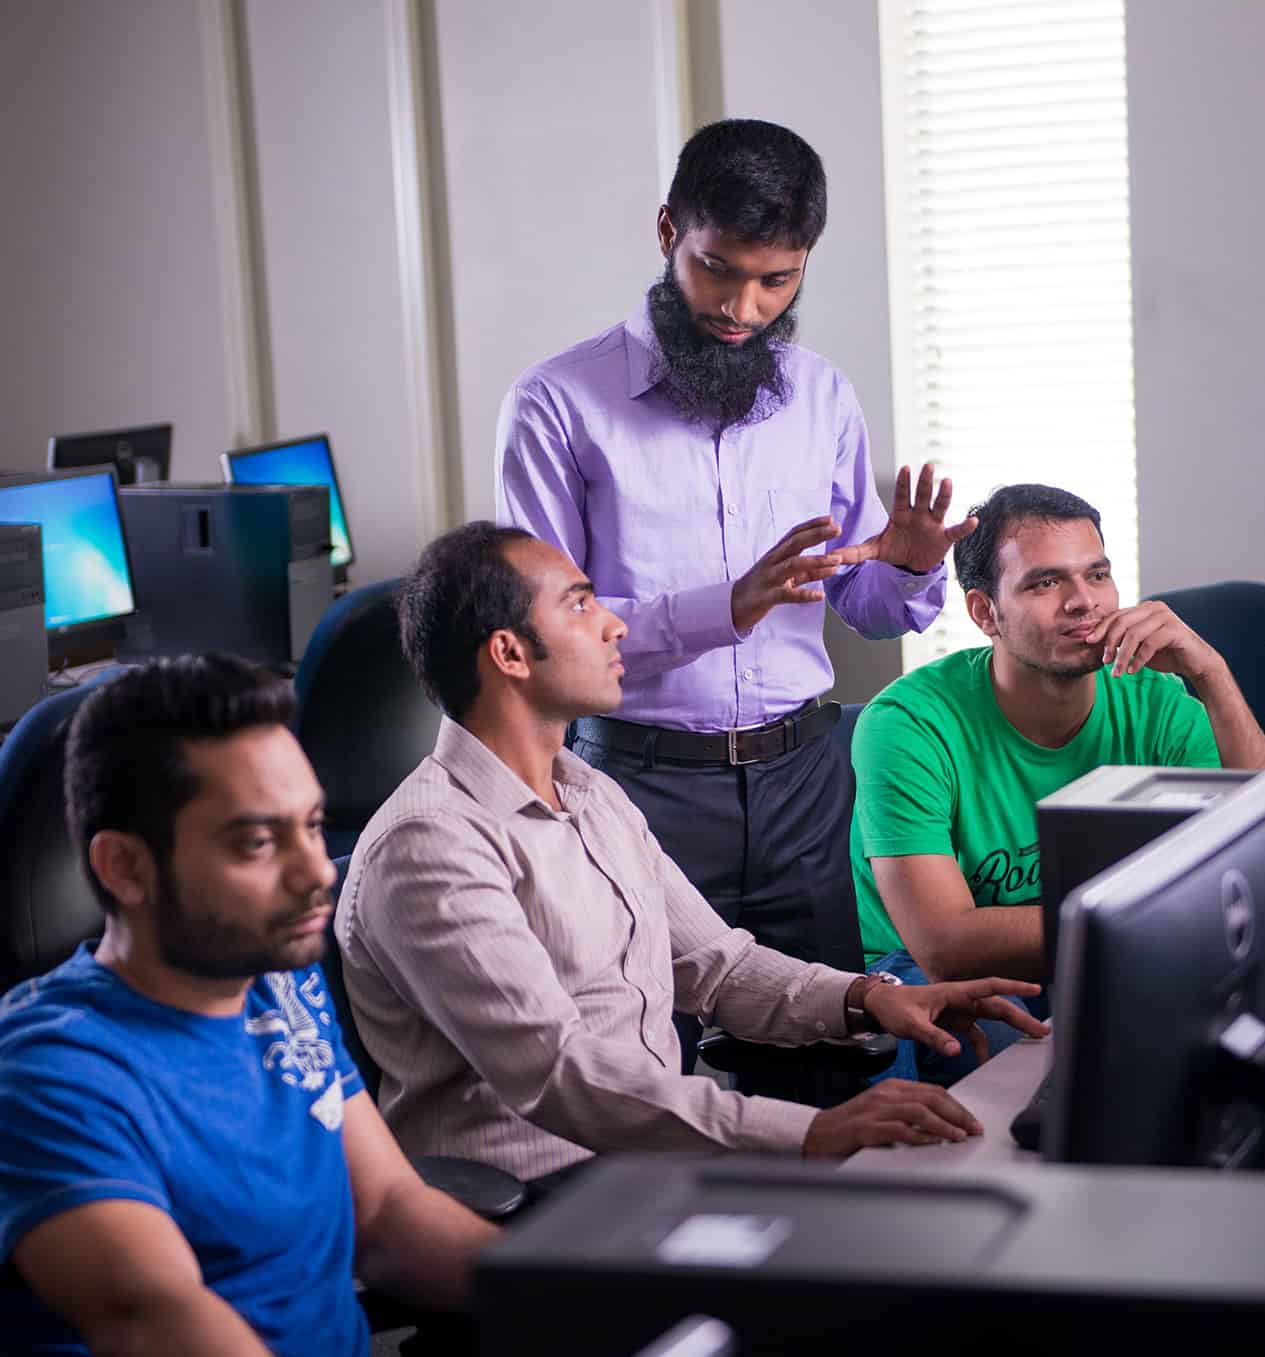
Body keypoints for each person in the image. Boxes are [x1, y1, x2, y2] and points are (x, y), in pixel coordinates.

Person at [336, 522, 1047, 1190]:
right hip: (537, 1202)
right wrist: (812, 1131)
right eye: (581, 606)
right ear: (510, 654)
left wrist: (875, 999)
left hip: (642, 1172)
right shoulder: (430, 846)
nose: (614, 625)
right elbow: (558, 1073)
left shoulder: (589, 792)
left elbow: (719, 966)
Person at [495, 119, 977, 1090]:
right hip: (635, 783)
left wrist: (914, 569)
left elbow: (870, 608)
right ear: (668, 229)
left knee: (825, 1069)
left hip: (803, 780)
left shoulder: (822, 400)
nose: (742, 307)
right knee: (639, 1077)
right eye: (718, 269)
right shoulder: (557, 404)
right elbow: (544, 638)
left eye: (777, 280)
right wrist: (729, 604)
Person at [0, 655, 498, 1357]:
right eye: (258, 842)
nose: (316, 870)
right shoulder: (52, 1074)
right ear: (125, 867)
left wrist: (583, 1301)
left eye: (312, 824)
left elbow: (386, 1211)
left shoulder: (274, 976)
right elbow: (159, 1318)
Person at [852, 483, 1265, 1083]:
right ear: (984, 612)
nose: (1083, 602)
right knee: (991, 1054)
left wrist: (1213, 672)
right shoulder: (907, 724)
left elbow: (1253, 854)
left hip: (1111, 957)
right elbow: (946, 943)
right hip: (936, 980)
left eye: (1097, 575)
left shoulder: (1158, 700)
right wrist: (1153, 924)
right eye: (1045, 583)